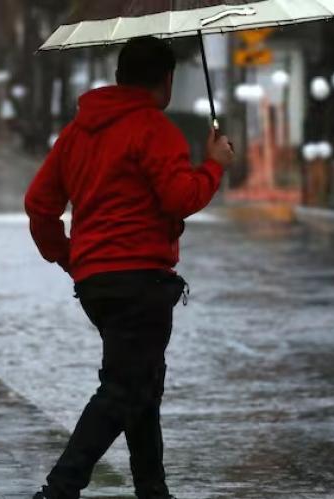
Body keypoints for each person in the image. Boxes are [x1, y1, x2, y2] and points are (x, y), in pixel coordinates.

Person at [24, 36, 234, 499]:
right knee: (124, 388)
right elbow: (181, 197)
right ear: (166, 81)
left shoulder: (77, 133)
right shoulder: (154, 130)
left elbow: (39, 205)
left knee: (142, 382)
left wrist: (68, 256)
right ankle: (60, 488)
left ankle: (153, 489)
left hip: (96, 282)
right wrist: (214, 166)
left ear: (118, 78)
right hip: (142, 279)